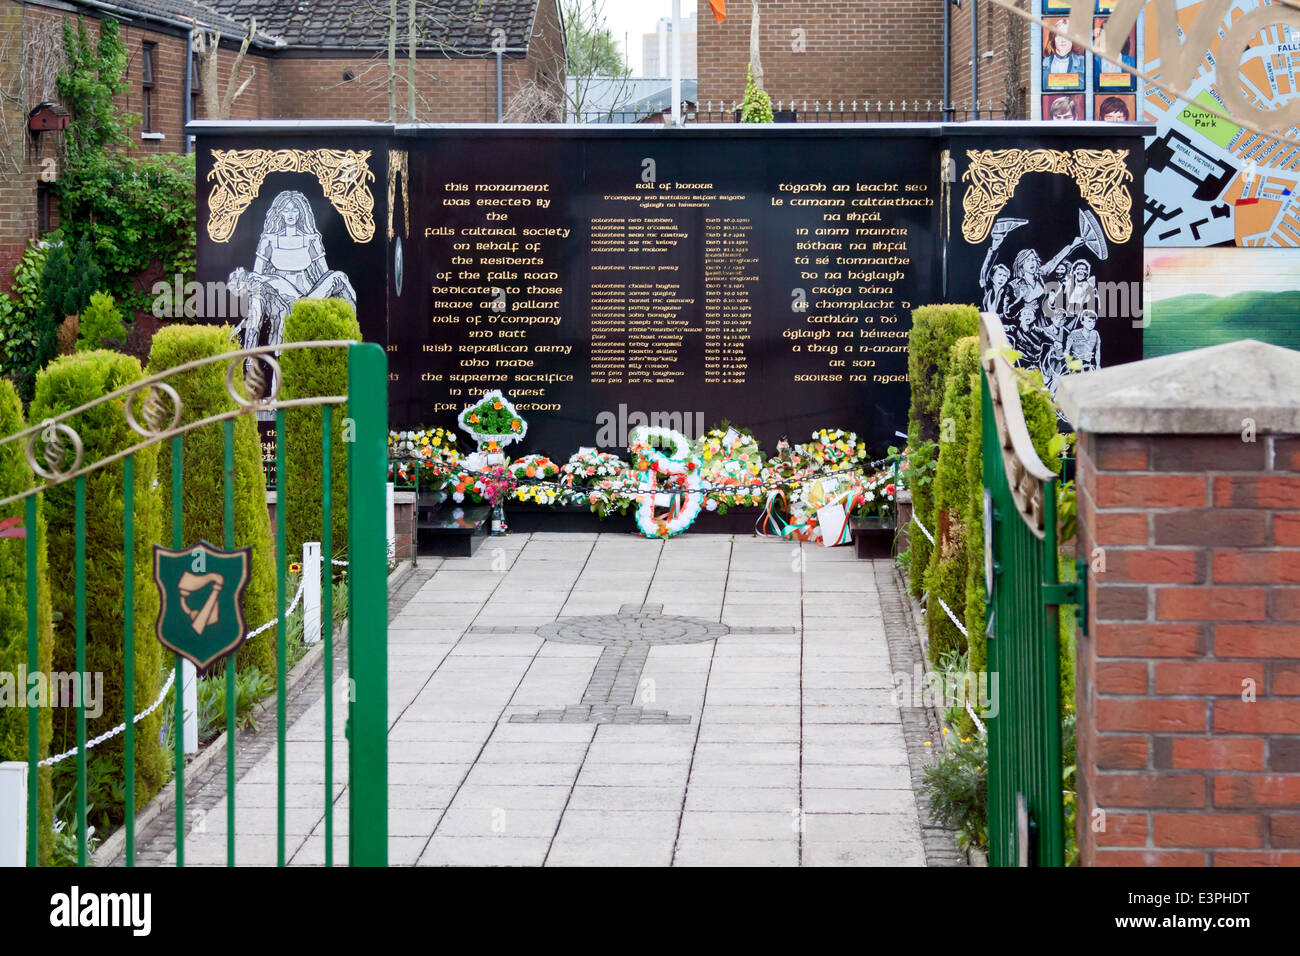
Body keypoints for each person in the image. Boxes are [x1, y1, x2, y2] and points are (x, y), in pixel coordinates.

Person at [229, 189, 358, 355]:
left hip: (310, 297)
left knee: (340, 277)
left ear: (301, 212)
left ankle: (351, 331)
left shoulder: (312, 239)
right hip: (282, 298)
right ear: (280, 213)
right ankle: (249, 353)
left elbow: (324, 275)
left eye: (295, 209)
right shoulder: (269, 240)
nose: (290, 214)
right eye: (286, 210)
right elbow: (257, 278)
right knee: (262, 285)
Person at [1042, 20, 1085, 87]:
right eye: (1059, 35)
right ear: (1053, 38)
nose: (1063, 40)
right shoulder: (1043, 63)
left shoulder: (1083, 62)